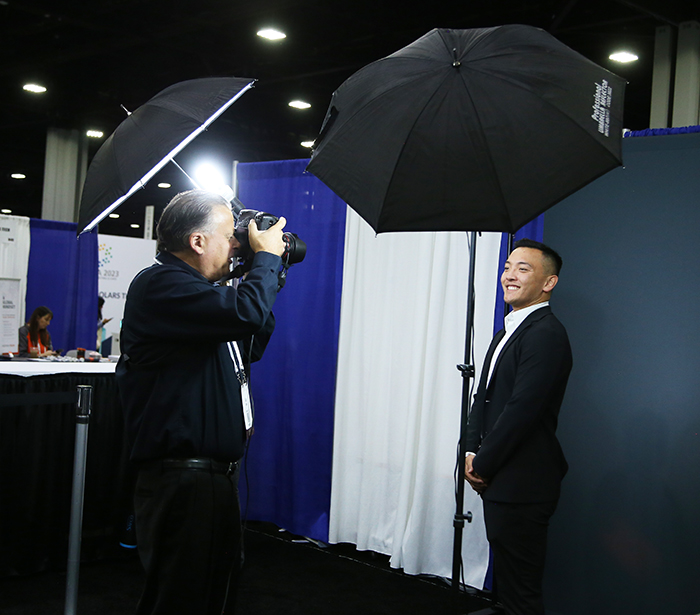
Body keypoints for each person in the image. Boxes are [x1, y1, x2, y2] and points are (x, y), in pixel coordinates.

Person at [115, 189, 287, 615]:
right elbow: (244, 315)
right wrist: (264, 261)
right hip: (182, 479)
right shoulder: (161, 284)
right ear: (197, 241)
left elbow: (251, 341)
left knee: (210, 596)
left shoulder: (202, 300)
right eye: (230, 236)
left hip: (209, 480)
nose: (236, 246)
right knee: (181, 600)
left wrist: (270, 275)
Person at [465, 238, 572, 615]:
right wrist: (469, 450)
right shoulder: (504, 333)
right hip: (501, 479)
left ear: (549, 283)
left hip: (524, 483)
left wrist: (483, 464)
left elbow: (522, 410)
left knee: (522, 595)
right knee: (507, 588)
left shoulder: (546, 334)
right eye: (508, 266)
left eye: (523, 268)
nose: (509, 275)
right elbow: (484, 399)